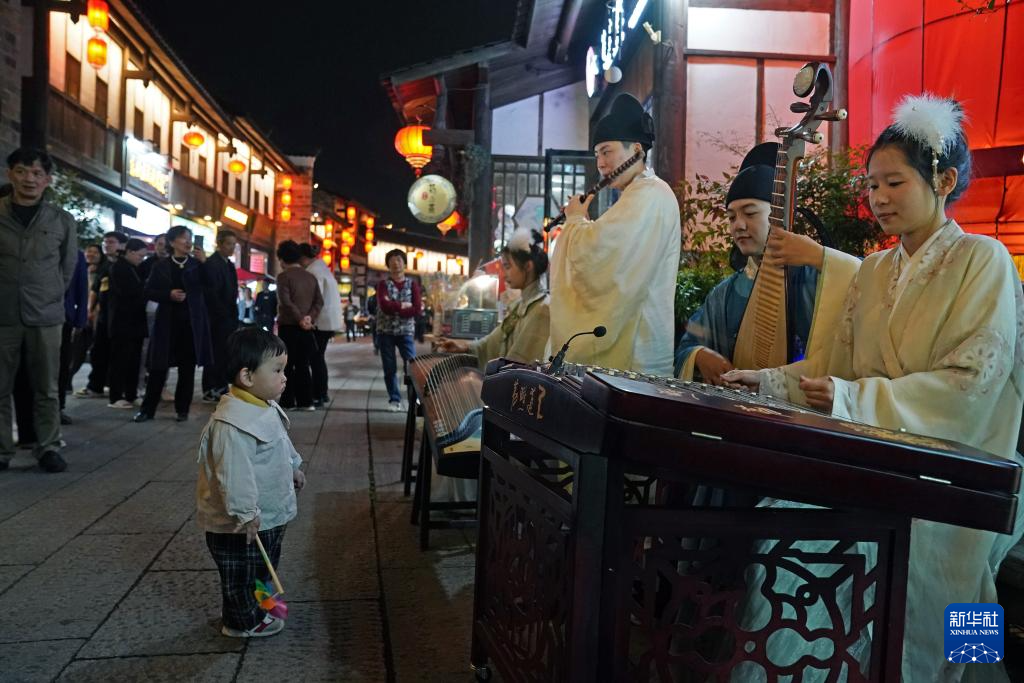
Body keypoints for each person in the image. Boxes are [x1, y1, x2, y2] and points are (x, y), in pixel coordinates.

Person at [723, 95, 1024, 681]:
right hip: (883, 462)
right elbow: (835, 366)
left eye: (894, 183)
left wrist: (854, 398)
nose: (879, 198)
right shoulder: (875, 269)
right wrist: (770, 382)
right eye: (872, 185)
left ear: (944, 181)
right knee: (789, 540)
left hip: (954, 473)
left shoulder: (983, 259)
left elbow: (972, 384)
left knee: (956, 602)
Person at [674, 143, 859, 383]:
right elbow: (688, 344)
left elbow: (871, 282)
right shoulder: (725, 293)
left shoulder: (817, 274)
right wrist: (699, 355)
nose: (739, 225)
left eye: (750, 213)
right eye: (731, 217)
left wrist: (819, 257)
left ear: (778, 216)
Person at [550, 94, 680, 375]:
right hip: (639, 353)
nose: (600, 163)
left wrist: (575, 220)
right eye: (597, 155)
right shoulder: (641, 194)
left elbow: (598, 257)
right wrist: (579, 222)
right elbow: (609, 248)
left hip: (639, 357)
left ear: (636, 149)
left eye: (606, 152)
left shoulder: (649, 194)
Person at [196, 327, 306, 638]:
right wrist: (245, 512)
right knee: (242, 574)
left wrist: (293, 467)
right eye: (277, 370)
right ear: (247, 376)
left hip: (266, 515)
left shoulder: (262, 405)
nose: (285, 377)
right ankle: (242, 622)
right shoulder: (232, 424)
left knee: (263, 566)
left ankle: (262, 608)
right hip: (242, 523)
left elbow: (280, 441)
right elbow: (233, 476)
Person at [0, 148, 78, 473]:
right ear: (10, 175)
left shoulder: (62, 220)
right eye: (21, 171)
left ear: (47, 180)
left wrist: (48, 295)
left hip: (46, 316)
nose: (28, 179)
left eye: (36, 173)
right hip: (3, 314)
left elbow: (67, 268)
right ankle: (2, 450)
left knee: (47, 387)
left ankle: (48, 447)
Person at [437, 228, 550, 369]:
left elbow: (521, 361)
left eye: (507, 267)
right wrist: (465, 347)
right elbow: (492, 341)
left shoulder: (542, 309)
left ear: (528, 266)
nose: (503, 274)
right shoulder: (519, 305)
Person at [133, 225, 214, 423]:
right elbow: (148, 291)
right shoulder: (161, 266)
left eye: (190, 238)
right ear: (172, 242)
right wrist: (168, 295)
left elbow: (212, 287)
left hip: (191, 324)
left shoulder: (197, 264)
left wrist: (205, 263)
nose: (188, 242)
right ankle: (147, 410)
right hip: (167, 324)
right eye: (183, 238)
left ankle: (182, 410)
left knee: (187, 369)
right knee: (158, 368)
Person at [78, 230, 128, 397]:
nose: (107, 245)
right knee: (98, 351)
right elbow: (96, 289)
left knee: (116, 354)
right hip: (103, 317)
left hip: (119, 317)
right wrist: (90, 310)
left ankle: (117, 388)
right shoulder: (105, 265)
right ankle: (95, 386)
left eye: (111, 242)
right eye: (105, 242)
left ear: (122, 245)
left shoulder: (125, 265)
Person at [275, 241, 322, 411]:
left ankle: (288, 401)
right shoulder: (310, 277)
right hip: (306, 328)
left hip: (289, 326)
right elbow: (319, 302)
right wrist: (309, 318)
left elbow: (286, 302)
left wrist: (300, 318)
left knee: (287, 365)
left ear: (282, 259)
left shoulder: (283, 277)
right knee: (303, 364)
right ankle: (306, 401)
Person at [376, 249, 421, 411]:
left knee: (412, 366)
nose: (396, 263)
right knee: (389, 368)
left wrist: (395, 307)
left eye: (399, 260)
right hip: (385, 331)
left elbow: (416, 309)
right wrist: (403, 305)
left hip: (406, 332)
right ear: (388, 265)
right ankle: (394, 399)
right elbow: (384, 306)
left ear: (405, 263)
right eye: (392, 260)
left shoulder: (412, 284)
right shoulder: (383, 285)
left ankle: (413, 400)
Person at [106, 239, 148, 409]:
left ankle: (131, 394)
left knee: (134, 361)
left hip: (135, 322)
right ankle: (116, 396)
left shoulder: (135, 268)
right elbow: (127, 292)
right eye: (140, 256)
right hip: (122, 321)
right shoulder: (118, 268)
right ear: (130, 252)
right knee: (120, 360)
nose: (141, 259)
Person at [298, 243, 342, 407]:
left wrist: (308, 318)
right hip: (328, 321)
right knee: (318, 357)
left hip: (320, 321)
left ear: (303, 258)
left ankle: (319, 394)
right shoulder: (323, 269)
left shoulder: (314, 272)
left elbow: (316, 299)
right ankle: (321, 393)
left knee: (315, 358)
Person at [202, 230, 240, 403]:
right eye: (228, 244)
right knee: (215, 352)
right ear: (219, 244)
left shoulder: (229, 264)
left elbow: (232, 291)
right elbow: (211, 292)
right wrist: (222, 313)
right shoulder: (212, 263)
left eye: (234, 244)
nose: (232, 248)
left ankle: (220, 385)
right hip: (216, 317)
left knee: (225, 353)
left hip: (228, 315)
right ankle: (211, 387)